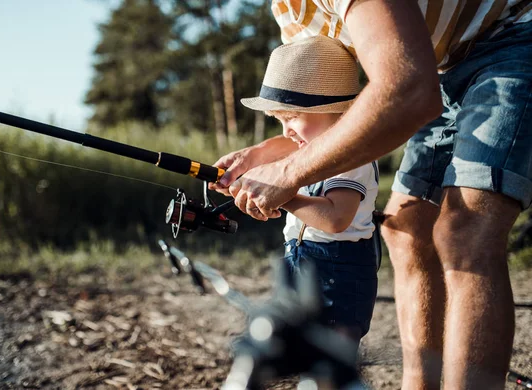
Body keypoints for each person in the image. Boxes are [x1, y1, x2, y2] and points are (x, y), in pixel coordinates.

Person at [210, 1, 532, 389]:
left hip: (513, 34)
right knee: (407, 229)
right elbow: (314, 106)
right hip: (442, 63)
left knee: (464, 230)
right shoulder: (290, 9)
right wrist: (261, 155)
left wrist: (288, 176)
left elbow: (406, 89)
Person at [239, 36, 379, 352]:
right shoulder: (305, 153)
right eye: (280, 120)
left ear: (335, 112)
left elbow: (335, 218)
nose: (286, 131)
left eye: (291, 118)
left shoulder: (351, 158)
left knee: (331, 360)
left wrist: (282, 194)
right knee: (295, 348)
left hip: (338, 274)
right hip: (297, 260)